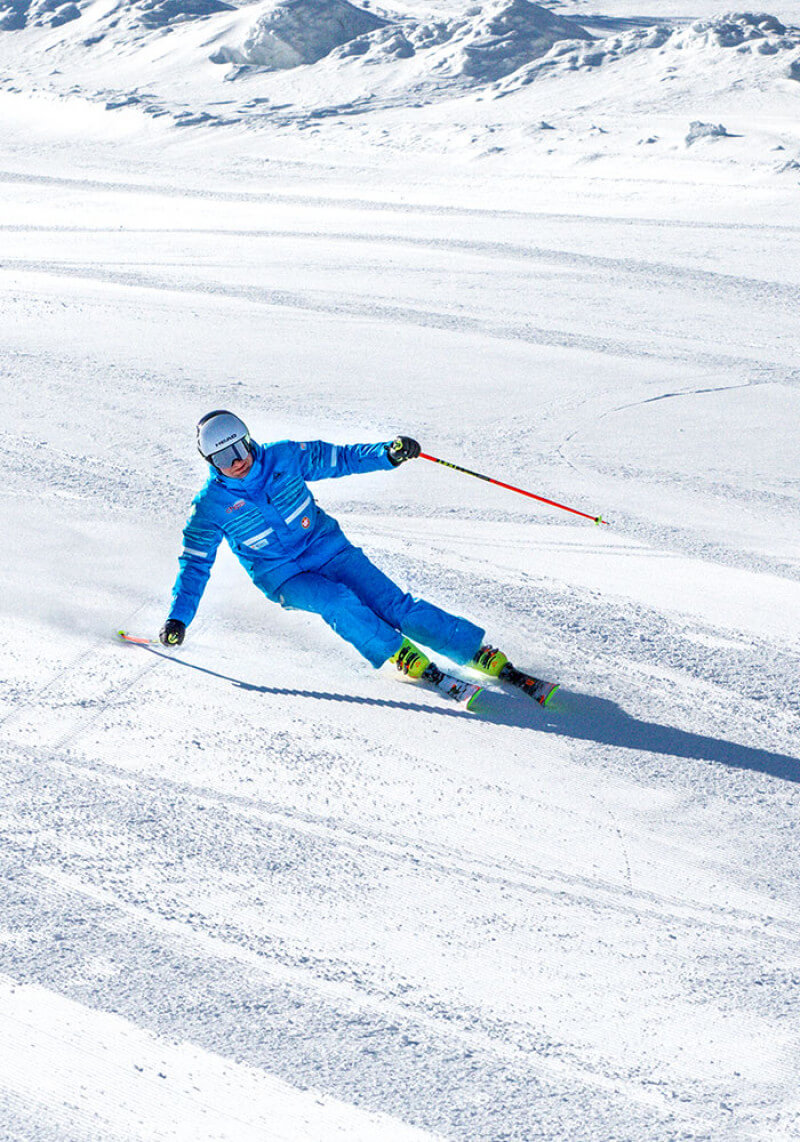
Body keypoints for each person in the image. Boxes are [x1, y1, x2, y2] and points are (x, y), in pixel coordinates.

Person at [160, 410, 513, 685]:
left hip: (329, 549)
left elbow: (339, 459)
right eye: (223, 457)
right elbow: (195, 564)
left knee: (393, 605)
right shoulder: (210, 506)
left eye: (239, 448)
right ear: (211, 463)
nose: (237, 461)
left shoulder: (285, 457)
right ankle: (397, 652)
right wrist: (179, 617)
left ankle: (472, 650)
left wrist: (387, 454)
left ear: (249, 440)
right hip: (284, 576)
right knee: (336, 601)